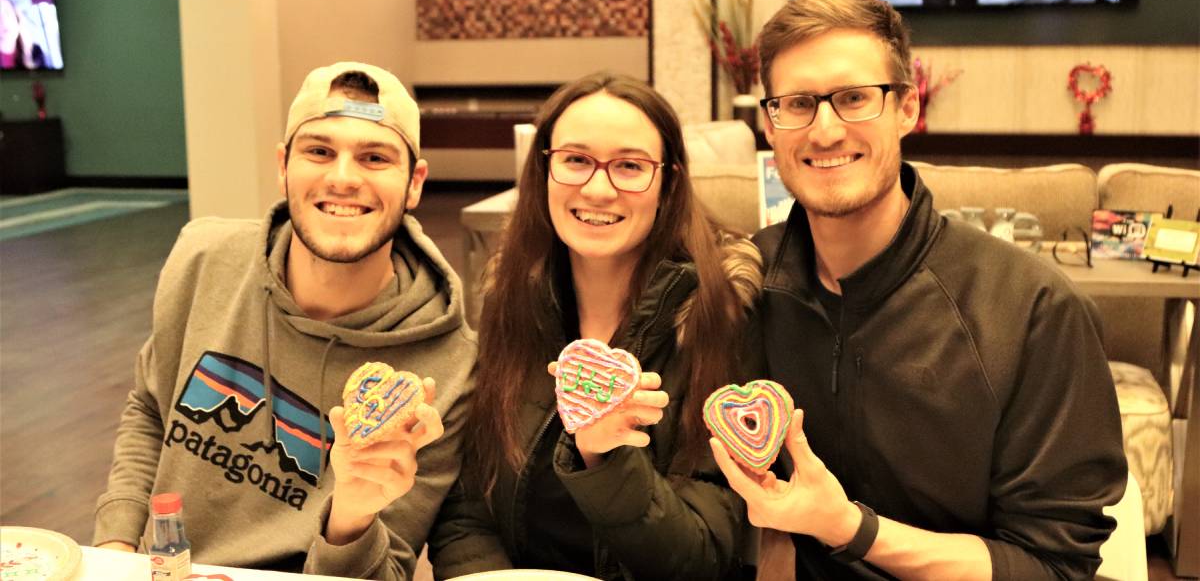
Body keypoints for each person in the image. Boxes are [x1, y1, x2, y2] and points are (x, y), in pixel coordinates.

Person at [710, 0, 1127, 580]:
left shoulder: (1032, 309)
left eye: (854, 98)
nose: (825, 131)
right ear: (769, 124)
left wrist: (850, 529)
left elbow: (1053, 565)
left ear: (907, 108)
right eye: (798, 104)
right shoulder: (746, 284)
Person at [93, 62, 477, 579]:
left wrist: (353, 517)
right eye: (319, 151)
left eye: (375, 157)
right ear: (283, 166)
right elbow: (150, 409)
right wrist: (114, 549)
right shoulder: (204, 260)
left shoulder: (448, 368)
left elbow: (389, 568)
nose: (343, 178)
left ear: (414, 183)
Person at [429, 72, 762, 580]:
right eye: (576, 160)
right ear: (543, 170)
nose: (599, 188)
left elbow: (704, 559)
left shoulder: (722, 313)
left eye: (630, 166)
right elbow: (469, 513)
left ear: (668, 183)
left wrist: (605, 458)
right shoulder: (511, 299)